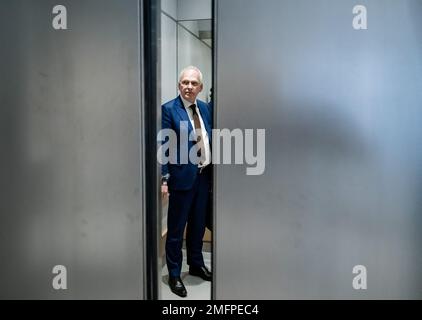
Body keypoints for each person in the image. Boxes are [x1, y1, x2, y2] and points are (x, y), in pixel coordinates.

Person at [161, 66, 212, 297]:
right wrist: (164, 178)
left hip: (204, 177)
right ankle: (174, 273)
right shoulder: (169, 109)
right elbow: (164, 146)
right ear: (179, 85)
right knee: (176, 228)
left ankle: (195, 263)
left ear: (200, 87)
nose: (189, 86)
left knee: (199, 225)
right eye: (185, 82)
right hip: (181, 178)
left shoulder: (205, 108)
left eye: (193, 83)